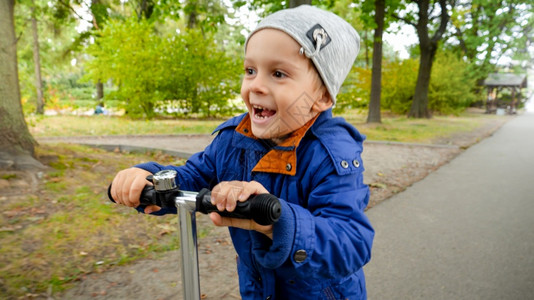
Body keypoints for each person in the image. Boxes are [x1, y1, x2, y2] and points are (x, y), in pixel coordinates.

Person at [110, 5, 374, 299]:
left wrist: (280, 222)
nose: (257, 85)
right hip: (257, 291)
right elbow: (193, 176)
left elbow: (352, 242)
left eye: (278, 73)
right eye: (250, 70)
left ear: (322, 96)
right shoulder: (233, 140)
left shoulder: (329, 155)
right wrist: (149, 179)